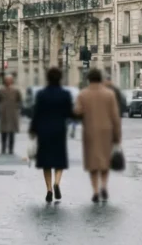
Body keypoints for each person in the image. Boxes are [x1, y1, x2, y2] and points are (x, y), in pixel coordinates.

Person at [74, 69, 122, 202]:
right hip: (107, 131)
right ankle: (104, 186)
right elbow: (115, 117)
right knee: (105, 162)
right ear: (100, 79)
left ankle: (95, 190)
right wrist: (117, 137)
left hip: (90, 131)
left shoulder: (83, 94)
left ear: (88, 79)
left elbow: (77, 111)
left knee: (93, 163)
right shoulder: (109, 94)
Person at [30, 67, 73, 203]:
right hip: (59, 130)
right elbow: (69, 113)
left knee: (46, 162)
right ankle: (57, 183)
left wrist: (33, 130)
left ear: (47, 78)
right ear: (60, 78)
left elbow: (36, 114)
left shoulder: (41, 94)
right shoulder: (65, 94)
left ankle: (49, 189)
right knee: (59, 160)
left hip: (44, 131)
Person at [0, 75, 23, 155]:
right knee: (3, 132)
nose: (8, 81)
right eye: (6, 80)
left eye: (9, 80)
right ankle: (3, 148)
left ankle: (11, 149)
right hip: (4, 113)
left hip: (13, 113)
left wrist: (17, 108)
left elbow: (19, 100)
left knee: (12, 132)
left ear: (12, 81)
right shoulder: (0, 90)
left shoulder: (16, 90)